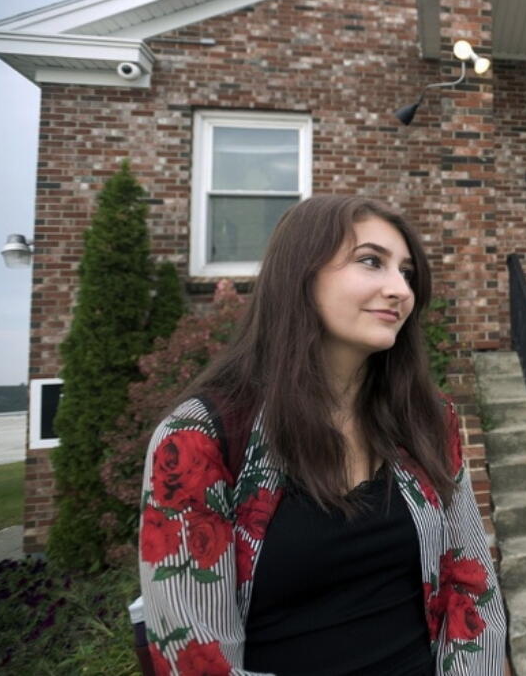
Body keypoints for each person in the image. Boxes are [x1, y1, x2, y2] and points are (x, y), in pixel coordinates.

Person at [138, 195, 506, 675]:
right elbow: (195, 657)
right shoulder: (200, 438)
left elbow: (470, 587)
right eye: (372, 261)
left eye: (407, 273)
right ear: (301, 275)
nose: (400, 289)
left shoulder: (427, 422)